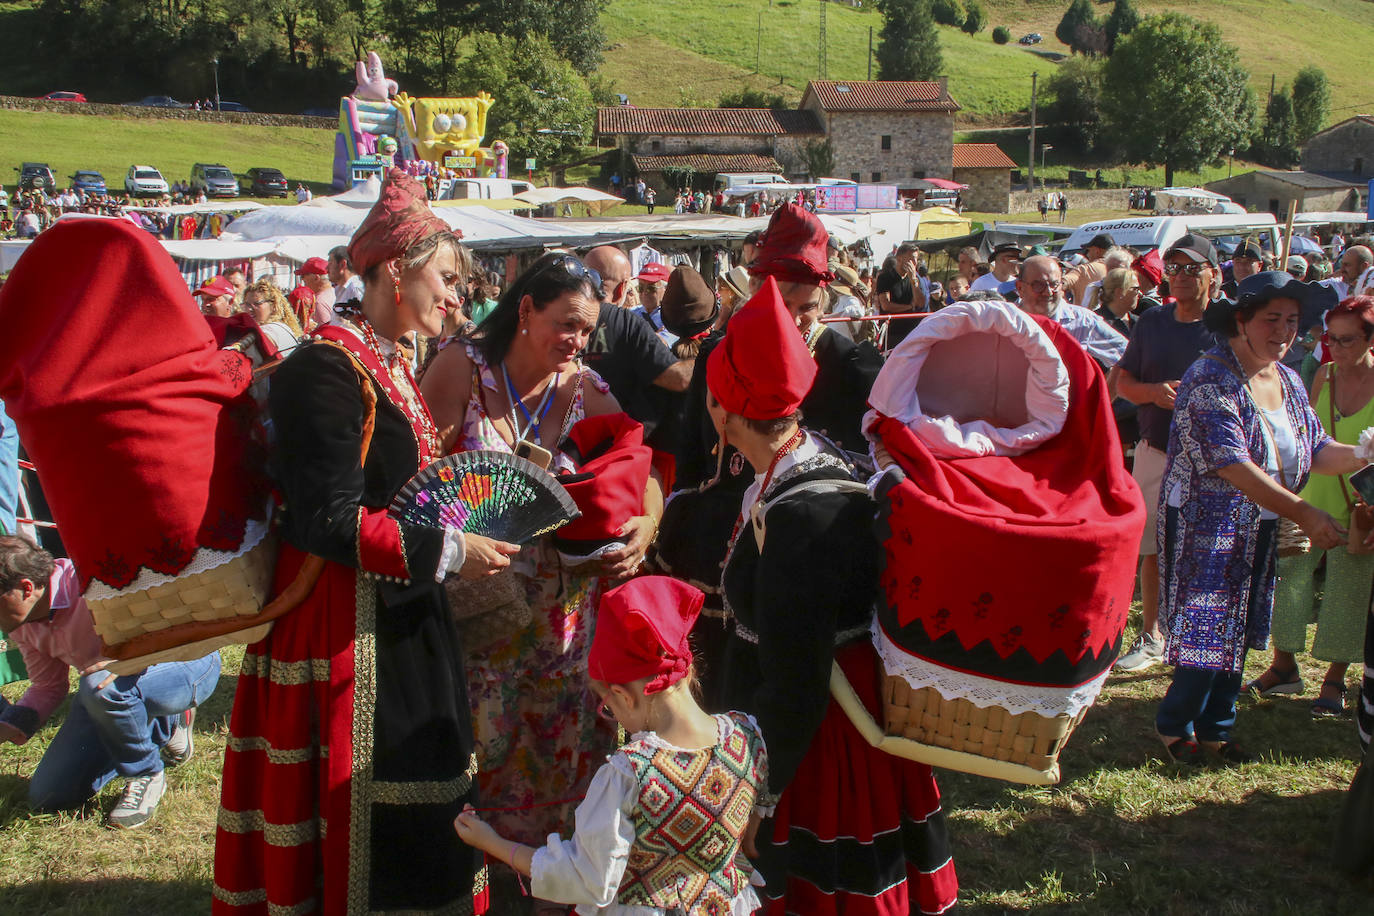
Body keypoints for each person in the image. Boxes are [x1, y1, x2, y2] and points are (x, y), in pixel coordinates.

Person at [214, 170, 492, 914]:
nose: (457, 296)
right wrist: (453, 552)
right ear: (394, 272)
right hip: (342, 623)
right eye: (446, 277)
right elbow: (328, 520)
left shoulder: (395, 363)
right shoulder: (325, 368)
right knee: (359, 810)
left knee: (421, 788)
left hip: (403, 611)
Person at [705, 278, 957, 912]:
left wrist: (759, 792)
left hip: (821, 738)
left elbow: (796, 680)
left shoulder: (802, 515)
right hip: (815, 715)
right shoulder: (798, 462)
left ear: (725, 407)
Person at [419, 251, 665, 875]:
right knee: (486, 741)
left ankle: (557, 875)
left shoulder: (588, 387)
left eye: (588, 329)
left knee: (568, 750)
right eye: (567, 324)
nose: (578, 340)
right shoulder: (460, 371)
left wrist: (648, 521)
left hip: (567, 621)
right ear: (524, 309)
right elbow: (422, 484)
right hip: (481, 610)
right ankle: (481, 871)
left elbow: (644, 467)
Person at [1154, 271, 1371, 765]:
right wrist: (1303, 510)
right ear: (1241, 320)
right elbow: (1231, 463)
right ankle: (1175, 724)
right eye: (1271, 319)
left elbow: (1316, 449)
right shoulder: (1209, 377)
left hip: (1262, 524)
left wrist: (1364, 452)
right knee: (1207, 626)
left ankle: (1216, 727)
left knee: (1247, 624)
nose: (1284, 331)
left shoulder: (1289, 378)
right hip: (1204, 526)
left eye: (1292, 321)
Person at [454, 576, 768, 915]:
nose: (612, 716)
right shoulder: (747, 736)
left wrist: (492, 843)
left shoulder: (630, 775)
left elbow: (586, 878)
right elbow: (748, 828)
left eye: (609, 707)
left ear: (623, 696)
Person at [0, 534, 218, 829]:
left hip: (185, 662)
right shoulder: (21, 623)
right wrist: (9, 725)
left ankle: (146, 772)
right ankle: (160, 726)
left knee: (101, 687)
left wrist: (132, 658)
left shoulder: (95, 577)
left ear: (25, 588)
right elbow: (47, 687)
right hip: (110, 689)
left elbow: (186, 619)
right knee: (49, 795)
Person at [1112, 234, 1224, 671]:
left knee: (1203, 549)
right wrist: (1154, 395)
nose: (1180, 277)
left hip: (1215, 459)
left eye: (1192, 268)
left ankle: (1196, 636)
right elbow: (1124, 383)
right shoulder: (1152, 322)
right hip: (1156, 449)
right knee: (1152, 547)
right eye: (1174, 268)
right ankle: (1152, 635)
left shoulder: (1230, 326)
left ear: (1213, 274)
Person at [1261, 295, 1374, 717]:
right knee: (1289, 583)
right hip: (1311, 501)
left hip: (1360, 508)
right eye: (1331, 339)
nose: (1336, 348)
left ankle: (1334, 679)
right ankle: (1284, 666)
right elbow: (1306, 437)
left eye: (1346, 340)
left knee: (1348, 593)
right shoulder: (1323, 375)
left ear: (1369, 339)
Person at [1015, 255, 1126, 371]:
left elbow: (1129, 357)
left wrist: (1105, 385)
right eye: (1038, 285)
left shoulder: (1084, 322)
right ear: (1020, 288)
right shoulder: (1005, 320)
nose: (1048, 292)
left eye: (1054, 284)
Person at [873, 243, 929, 350]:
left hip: (912, 331)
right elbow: (886, 305)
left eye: (916, 259)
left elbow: (920, 304)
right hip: (892, 333)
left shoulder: (916, 279)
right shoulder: (885, 277)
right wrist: (909, 307)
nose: (914, 263)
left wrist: (913, 281)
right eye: (911, 259)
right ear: (899, 259)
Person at [240, 279, 304, 356]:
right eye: (247, 304)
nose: (249, 309)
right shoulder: (283, 327)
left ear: (273, 305)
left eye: (257, 303)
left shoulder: (267, 332)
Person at [633, 262, 676, 347]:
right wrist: (654, 336)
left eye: (651, 288)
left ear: (666, 289)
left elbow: (659, 345)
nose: (644, 293)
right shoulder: (631, 314)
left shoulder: (673, 317)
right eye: (641, 288)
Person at [1064, 232, 1115, 305]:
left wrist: (1065, 306)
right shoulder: (1121, 268)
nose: (1087, 254)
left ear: (1097, 251)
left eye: (1089, 250)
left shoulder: (1085, 269)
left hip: (1085, 314)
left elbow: (1062, 284)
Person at [1096, 267, 1142, 337]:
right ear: (1119, 292)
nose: (1140, 294)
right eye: (1136, 289)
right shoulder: (1097, 322)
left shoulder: (1140, 322)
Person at [295, 256, 335, 328]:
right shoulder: (335, 292)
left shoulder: (318, 302)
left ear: (316, 278)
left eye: (303, 276)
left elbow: (325, 334)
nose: (302, 279)